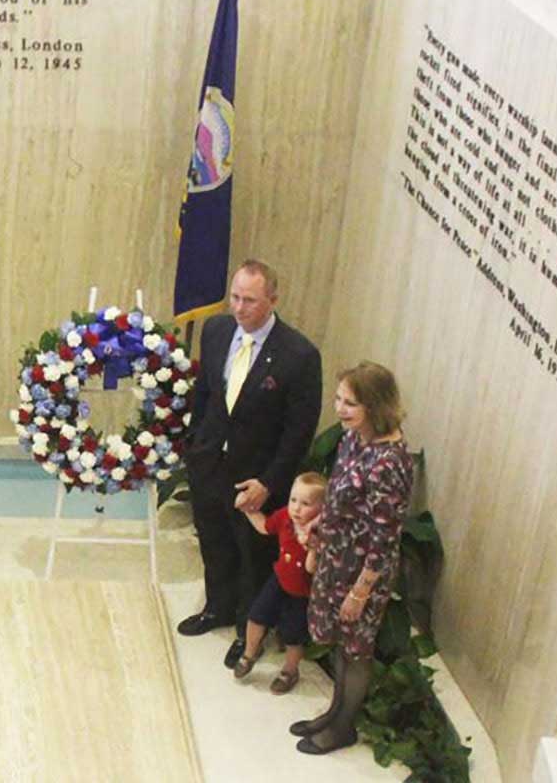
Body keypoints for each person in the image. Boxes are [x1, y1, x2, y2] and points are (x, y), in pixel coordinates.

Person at [177, 260, 323, 675]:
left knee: (251, 554)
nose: (239, 307)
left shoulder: (299, 355)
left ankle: (249, 630)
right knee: (214, 541)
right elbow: (206, 394)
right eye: (235, 296)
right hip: (210, 464)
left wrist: (269, 482)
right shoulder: (218, 331)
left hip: (255, 476)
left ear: (272, 300)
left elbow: (298, 432)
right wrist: (196, 446)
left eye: (250, 300)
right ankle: (217, 608)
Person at [291, 361, 415, 755]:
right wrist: (318, 525)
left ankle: (343, 726)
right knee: (341, 644)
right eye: (339, 399)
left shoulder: (390, 462)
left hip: (364, 572)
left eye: (351, 403)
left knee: (356, 649)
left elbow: (384, 536)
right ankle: (334, 710)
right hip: (337, 558)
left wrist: (361, 592)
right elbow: (340, 496)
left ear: (375, 406)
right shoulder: (352, 439)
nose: (340, 409)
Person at [232, 471, 325, 694]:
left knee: (293, 635)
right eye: (293, 500)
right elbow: (265, 527)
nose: (296, 508)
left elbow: (312, 569)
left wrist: (313, 547)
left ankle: (290, 671)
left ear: (322, 510)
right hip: (279, 579)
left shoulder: (320, 534)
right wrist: (248, 510)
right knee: (256, 616)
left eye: (306, 503)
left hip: (301, 592)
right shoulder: (284, 517)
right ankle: (250, 653)